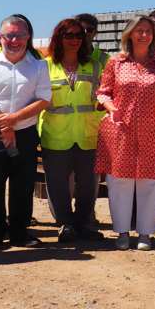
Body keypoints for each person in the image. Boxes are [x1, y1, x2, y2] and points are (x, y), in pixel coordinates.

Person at [95, 15, 155, 251]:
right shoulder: (116, 63)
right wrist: (112, 109)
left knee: (150, 183)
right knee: (119, 182)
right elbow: (103, 92)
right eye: (139, 30)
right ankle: (121, 232)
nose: (144, 35)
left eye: (148, 31)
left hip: (153, 130)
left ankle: (145, 234)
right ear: (129, 33)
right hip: (121, 129)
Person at [0, 16, 52, 249]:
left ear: (28, 38)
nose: (14, 40)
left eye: (19, 35)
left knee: (23, 184)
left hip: (25, 133)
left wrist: (13, 121)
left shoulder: (39, 66)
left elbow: (44, 98)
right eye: (9, 35)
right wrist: (4, 124)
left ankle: (19, 232)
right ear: (0, 37)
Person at [39, 18, 103, 243]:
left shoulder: (94, 66)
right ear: (59, 38)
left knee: (88, 185)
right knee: (57, 185)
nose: (75, 40)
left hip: (88, 134)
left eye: (78, 35)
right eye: (69, 35)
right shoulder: (45, 66)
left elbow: (103, 97)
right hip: (56, 134)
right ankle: (65, 224)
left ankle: (84, 223)